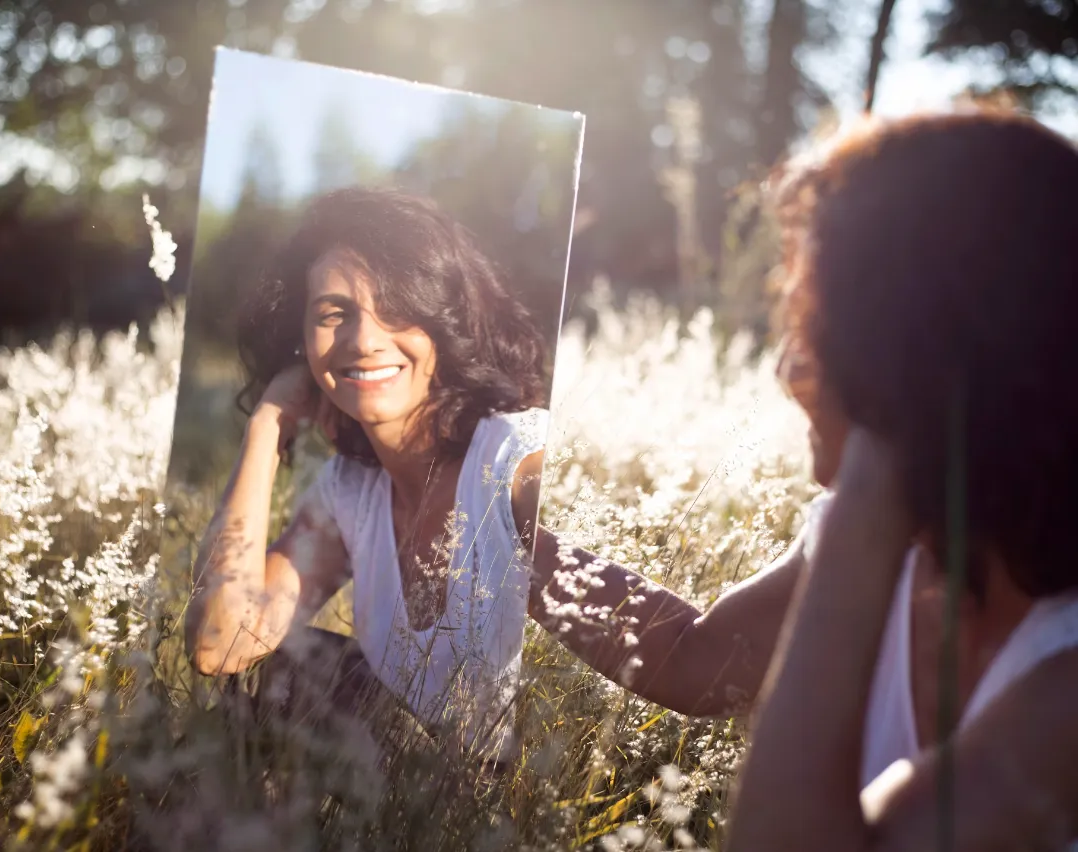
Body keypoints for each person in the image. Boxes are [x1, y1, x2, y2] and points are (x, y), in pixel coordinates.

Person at [186, 186, 775, 765]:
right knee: (283, 670)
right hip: (407, 801)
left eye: (396, 306)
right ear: (301, 345)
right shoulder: (351, 492)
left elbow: (687, 666)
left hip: (517, 808)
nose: (364, 339)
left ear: (443, 321)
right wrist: (267, 424)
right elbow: (222, 643)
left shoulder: (513, 462)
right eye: (333, 313)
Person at [726, 109, 1078, 851]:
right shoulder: (894, 556)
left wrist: (880, 472)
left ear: (913, 357)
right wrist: (523, 543)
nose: (788, 369)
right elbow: (690, 658)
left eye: (819, 327)